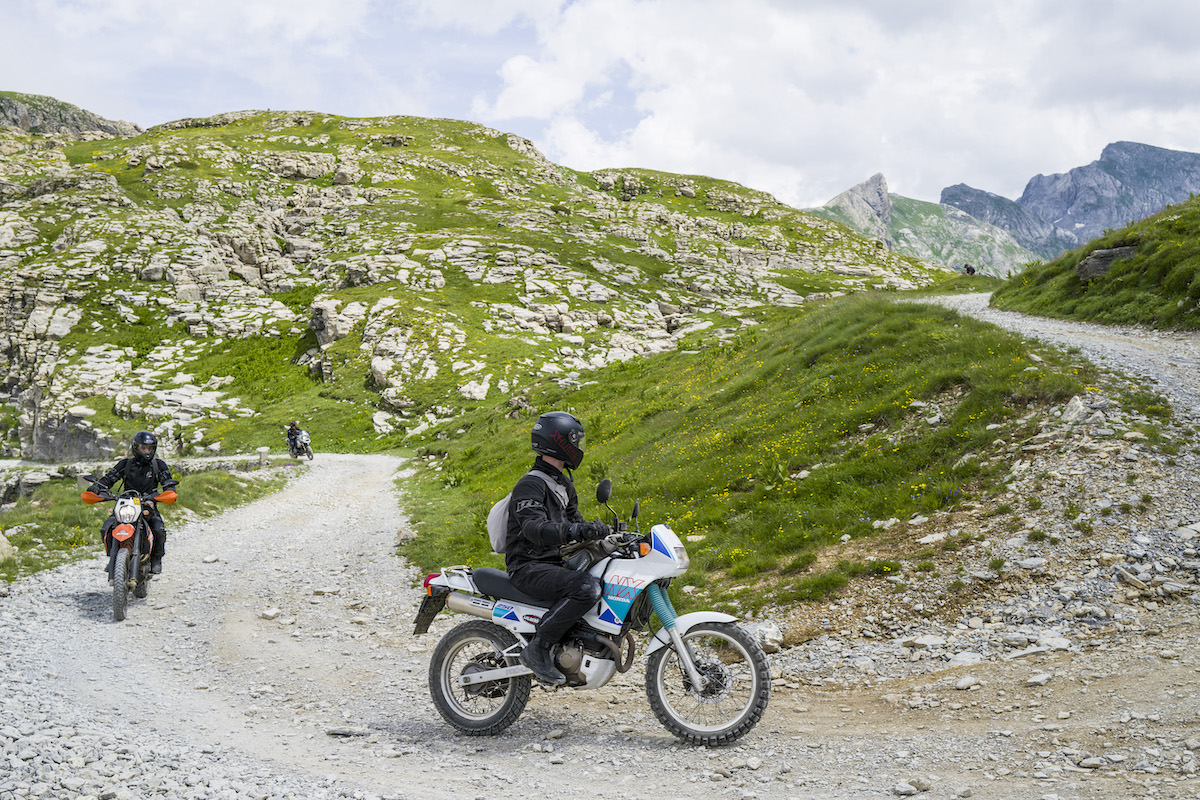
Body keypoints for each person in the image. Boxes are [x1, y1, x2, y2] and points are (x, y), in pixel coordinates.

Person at [504, 411, 611, 685]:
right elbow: (534, 528)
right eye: (575, 441)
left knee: (601, 578)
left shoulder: (563, 484)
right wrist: (577, 530)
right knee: (586, 588)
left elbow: (574, 524)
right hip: (528, 566)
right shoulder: (530, 484)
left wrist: (603, 533)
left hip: (552, 564)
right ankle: (537, 648)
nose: (578, 448)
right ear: (559, 442)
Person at [89, 430, 178, 574]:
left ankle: (156, 558)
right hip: (127, 504)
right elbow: (109, 478)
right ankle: (114, 557)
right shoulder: (126, 464)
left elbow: (167, 480)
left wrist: (169, 490)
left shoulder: (158, 465)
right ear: (136, 448)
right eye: (144, 448)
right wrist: (97, 487)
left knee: (158, 529)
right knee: (107, 527)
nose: (147, 452)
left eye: (150, 448)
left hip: (147, 504)